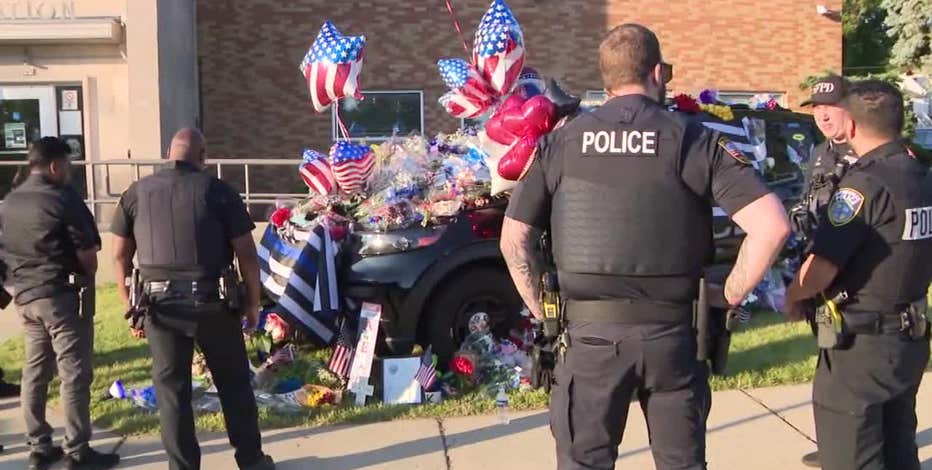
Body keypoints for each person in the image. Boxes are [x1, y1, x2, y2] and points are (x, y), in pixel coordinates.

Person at [501, 24, 791, 470]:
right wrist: (728, 295)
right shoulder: (693, 139)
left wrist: (544, 311)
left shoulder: (560, 143)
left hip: (589, 340)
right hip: (673, 339)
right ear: (658, 72)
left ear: (605, 80)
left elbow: (514, 239)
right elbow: (772, 225)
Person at [783, 80, 932, 470]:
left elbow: (821, 268)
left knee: (852, 457)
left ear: (851, 126)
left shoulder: (864, 184)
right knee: (899, 451)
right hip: (908, 338)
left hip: (861, 348)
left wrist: (795, 294)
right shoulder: (919, 176)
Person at [110, 128, 274, 470]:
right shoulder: (218, 192)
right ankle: (252, 461)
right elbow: (247, 253)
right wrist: (253, 303)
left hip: (160, 308)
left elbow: (119, 257)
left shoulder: (135, 193)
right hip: (213, 305)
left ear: (169, 153)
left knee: (172, 393)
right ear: (203, 157)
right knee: (234, 386)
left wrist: (130, 305)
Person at [1, 137, 118, 470]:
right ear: (55, 165)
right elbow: (88, 256)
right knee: (74, 375)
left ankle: (39, 447)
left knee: (34, 373)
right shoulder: (63, 198)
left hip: (25, 298)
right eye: (67, 164)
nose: (70, 171)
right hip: (61, 298)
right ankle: (78, 451)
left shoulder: (9, 201)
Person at [792, 74, 857, 468]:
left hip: (850, 276)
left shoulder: (866, 151)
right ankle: (833, 441)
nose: (822, 114)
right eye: (816, 107)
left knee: (850, 362)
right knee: (827, 358)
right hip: (818, 272)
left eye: (829, 106)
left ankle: (853, 444)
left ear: (849, 108)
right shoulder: (820, 152)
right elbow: (809, 198)